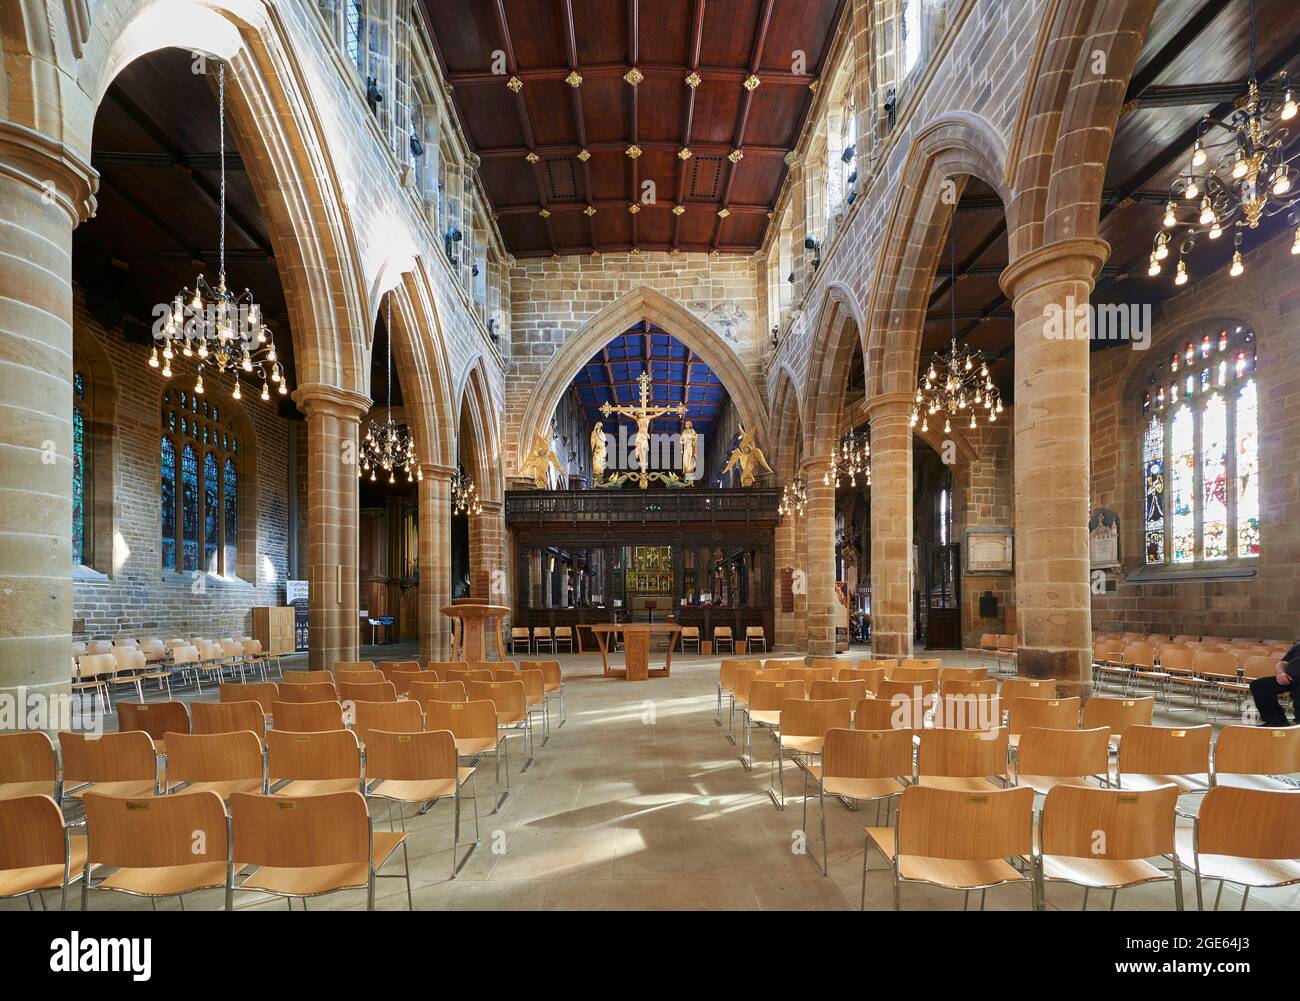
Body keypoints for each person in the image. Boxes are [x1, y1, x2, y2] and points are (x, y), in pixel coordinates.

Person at [1249, 641, 1300, 726]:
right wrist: (1280, 673)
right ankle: (1276, 722)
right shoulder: (1298, 646)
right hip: (1290, 678)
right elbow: (1282, 663)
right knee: (1259, 685)